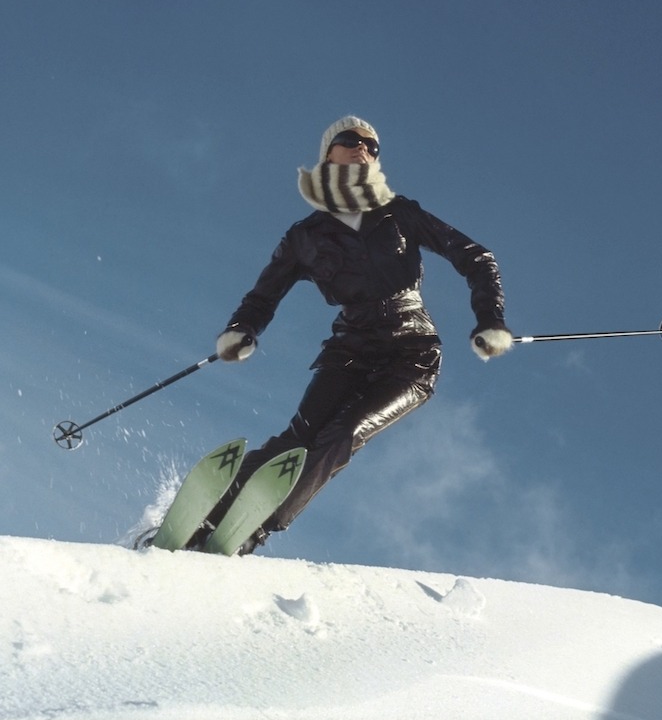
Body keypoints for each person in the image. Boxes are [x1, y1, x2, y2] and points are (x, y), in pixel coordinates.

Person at [208, 116, 512, 555]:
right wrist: (242, 331)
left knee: (344, 431)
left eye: (372, 146)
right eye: (350, 141)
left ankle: (251, 530)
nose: (363, 149)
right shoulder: (304, 236)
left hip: (411, 352)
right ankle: (209, 514)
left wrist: (490, 319)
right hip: (350, 347)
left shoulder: (399, 213)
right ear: (328, 153)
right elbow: (262, 296)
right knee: (298, 437)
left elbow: (477, 259)